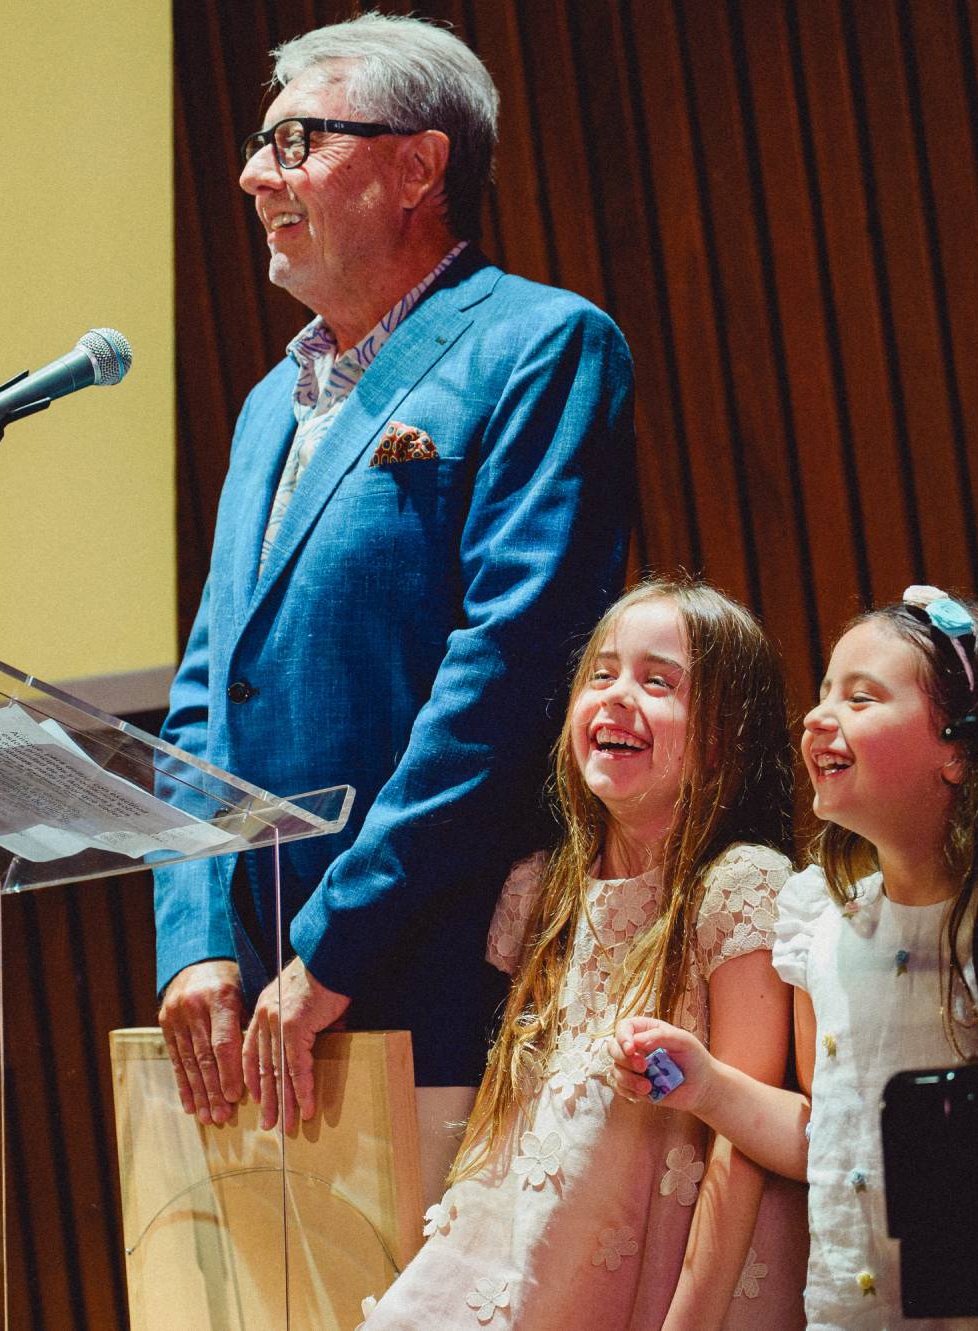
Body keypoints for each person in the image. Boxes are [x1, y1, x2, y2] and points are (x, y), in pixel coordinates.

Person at [152, 10, 636, 1204]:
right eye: (260, 144)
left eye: (296, 141)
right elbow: (207, 693)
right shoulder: (267, 407)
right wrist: (195, 936)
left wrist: (337, 943)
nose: (253, 174)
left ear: (417, 166)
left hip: (432, 982)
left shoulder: (538, 345)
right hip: (248, 1013)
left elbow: (503, 678)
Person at [613, 586, 978, 1329]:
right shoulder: (819, 922)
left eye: (860, 698)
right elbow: (824, 1133)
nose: (817, 717)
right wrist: (706, 1084)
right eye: (825, 691)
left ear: (960, 750)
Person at [362, 578, 808, 1330]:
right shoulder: (543, 887)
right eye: (601, 674)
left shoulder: (739, 886)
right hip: (542, 1252)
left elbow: (742, 1141)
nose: (617, 696)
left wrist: (690, 1321)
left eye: (658, 682)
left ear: (723, 738)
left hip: (673, 1274)